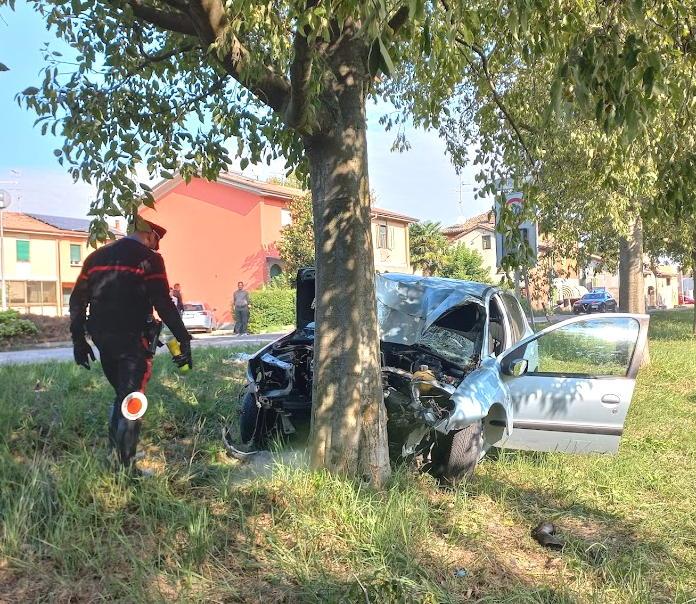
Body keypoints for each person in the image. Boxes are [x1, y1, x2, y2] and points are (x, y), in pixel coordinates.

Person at [69, 216, 192, 475]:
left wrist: (78, 340)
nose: (155, 247)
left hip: (102, 338)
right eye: (155, 241)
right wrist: (183, 338)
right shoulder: (149, 259)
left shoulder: (95, 258)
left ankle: (118, 453)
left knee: (122, 394)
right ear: (149, 235)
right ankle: (124, 467)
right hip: (134, 339)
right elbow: (163, 302)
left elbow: (77, 301)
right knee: (132, 398)